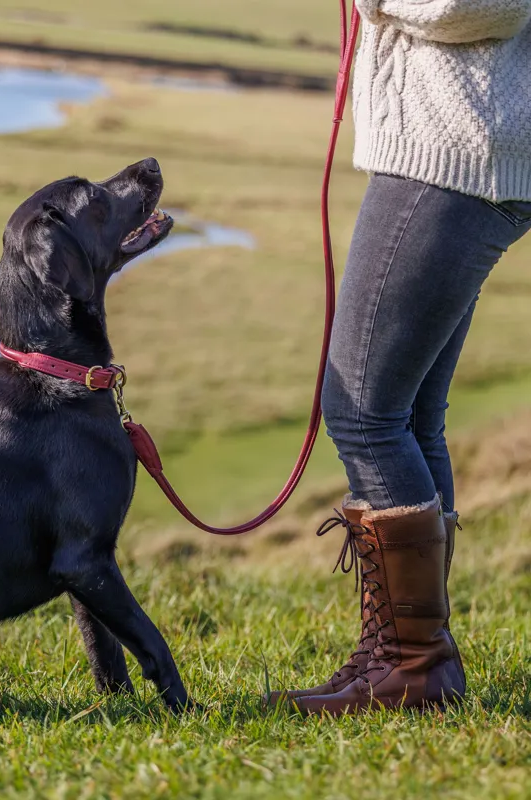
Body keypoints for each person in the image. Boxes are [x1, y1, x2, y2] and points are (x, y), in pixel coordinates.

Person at [272, 0, 531, 714]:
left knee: (364, 413)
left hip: (454, 158)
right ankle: (408, 657)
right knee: (412, 415)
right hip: (456, 156)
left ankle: (413, 666)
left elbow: (490, 6)